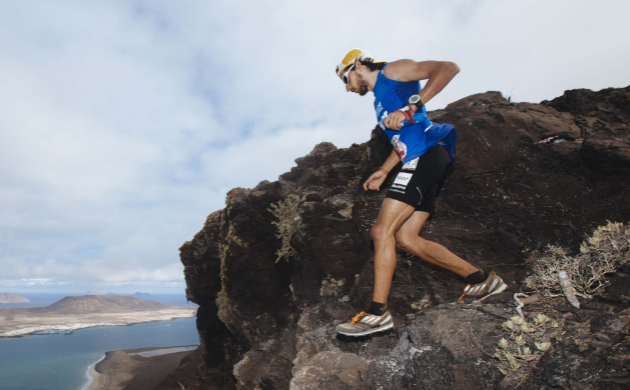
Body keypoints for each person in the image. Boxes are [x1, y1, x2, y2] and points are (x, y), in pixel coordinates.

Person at [334, 49, 507, 337]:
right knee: (406, 238)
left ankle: (378, 314)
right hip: (423, 158)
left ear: (360, 66)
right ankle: (480, 280)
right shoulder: (380, 100)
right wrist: (385, 170)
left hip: (425, 156)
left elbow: (448, 67)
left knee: (381, 232)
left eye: (346, 78)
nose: (348, 87)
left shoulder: (392, 72)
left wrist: (411, 108)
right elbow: (403, 139)